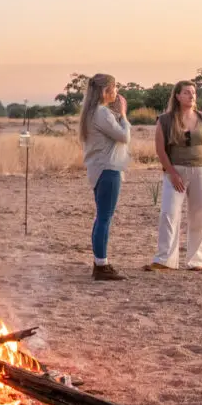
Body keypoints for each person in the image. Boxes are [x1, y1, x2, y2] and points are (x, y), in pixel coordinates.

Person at [145, 81, 202, 272]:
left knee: (200, 214)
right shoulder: (165, 120)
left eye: (193, 93)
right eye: (187, 92)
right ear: (177, 96)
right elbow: (160, 150)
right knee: (169, 213)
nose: (191, 96)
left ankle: (195, 261)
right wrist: (172, 173)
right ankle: (165, 259)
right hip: (175, 171)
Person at [79, 74, 130, 281]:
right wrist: (123, 114)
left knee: (101, 216)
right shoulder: (101, 113)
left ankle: (99, 262)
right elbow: (124, 136)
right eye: (114, 87)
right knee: (104, 218)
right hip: (108, 169)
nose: (117, 91)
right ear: (105, 91)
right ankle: (101, 265)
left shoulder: (92, 112)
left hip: (98, 169)